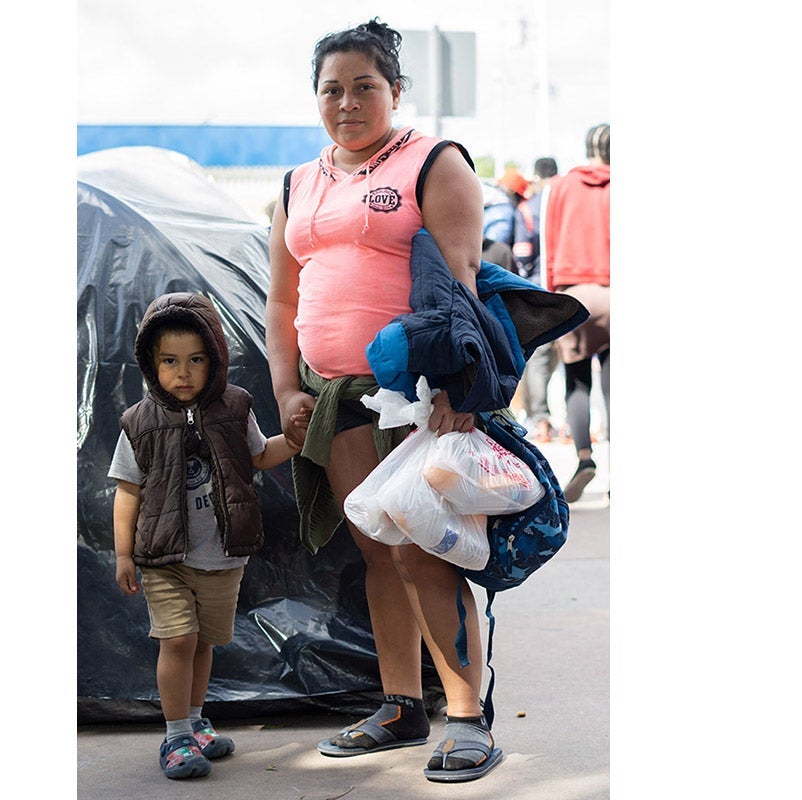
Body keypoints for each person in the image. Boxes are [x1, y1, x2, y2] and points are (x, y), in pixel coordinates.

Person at [265, 18, 504, 783]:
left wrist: (462, 389)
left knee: (424, 550)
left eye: (364, 85)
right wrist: (285, 388)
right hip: (333, 396)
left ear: (395, 91)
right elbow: (281, 302)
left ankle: (466, 717)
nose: (347, 101)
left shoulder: (433, 162)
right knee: (375, 550)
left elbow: (464, 280)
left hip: (415, 396)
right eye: (331, 88)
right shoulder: (297, 183)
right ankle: (402, 705)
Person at [109, 292, 304, 780]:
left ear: (214, 358)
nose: (183, 372)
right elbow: (127, 491)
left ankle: (196, 723)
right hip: (163, 557)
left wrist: (296, 441)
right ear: (151, 364)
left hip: (221, 557)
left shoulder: (235, 408)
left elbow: (260, 455)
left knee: (202, 643)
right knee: (178, 639)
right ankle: (175, 736)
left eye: (196, 359)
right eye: (170, 361)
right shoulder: (140, 422)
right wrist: (123, 554)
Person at [544, 124, 611, 502]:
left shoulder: (561, 186)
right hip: (615, 289)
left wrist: (551, 295)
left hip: (575, 294)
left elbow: (549, 241)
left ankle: (584, 458)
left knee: (578, 381)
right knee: (614, 385)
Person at [519, 157, 561, 439]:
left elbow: (522, 254)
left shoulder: (528, 208)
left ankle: (540, 419)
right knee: (569, 359)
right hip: (568, 289)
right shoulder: (566, 202)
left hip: (535, 290)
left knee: (538, 358)